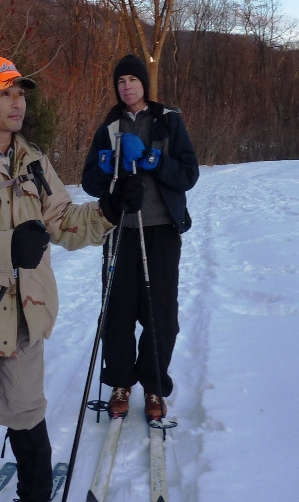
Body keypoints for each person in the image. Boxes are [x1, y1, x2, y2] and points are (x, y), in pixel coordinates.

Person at [0, 56, 144, 502]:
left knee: (27, 415)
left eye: (20, 93)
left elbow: (62, 220)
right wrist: (7, 247)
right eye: (5, 93)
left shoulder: (33, 161)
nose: (17, 103)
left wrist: (109, 210)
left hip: (25, 316)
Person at [81, 54, 199, 421]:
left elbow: (188, 175)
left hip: (161, 230)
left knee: (159, 314)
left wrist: (153, 160)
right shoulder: (110, 127)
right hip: (121, 232)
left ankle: (152, 385)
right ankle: (120, 382)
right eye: (120, 81)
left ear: (145, 84)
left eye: (133, 79)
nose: (126, 86)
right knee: (117, 313)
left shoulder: (168, 121)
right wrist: (103, 170)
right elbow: (89, 182)